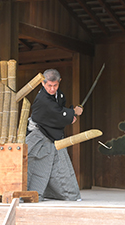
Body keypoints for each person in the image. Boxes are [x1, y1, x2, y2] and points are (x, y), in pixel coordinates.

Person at [26, 68, 83, 201]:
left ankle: (63, 194)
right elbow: (57, 113)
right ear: (43, 83)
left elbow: (59, 111)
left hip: (52, 135)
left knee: (61, 168)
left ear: (59, 82)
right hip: (38, 135)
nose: (52, 89)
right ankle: (30, 193)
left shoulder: (59, 95)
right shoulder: (42, 99)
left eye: (55, 85)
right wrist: (72, 114)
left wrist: (70, 113)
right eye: (49, 86)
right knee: (34, 167)